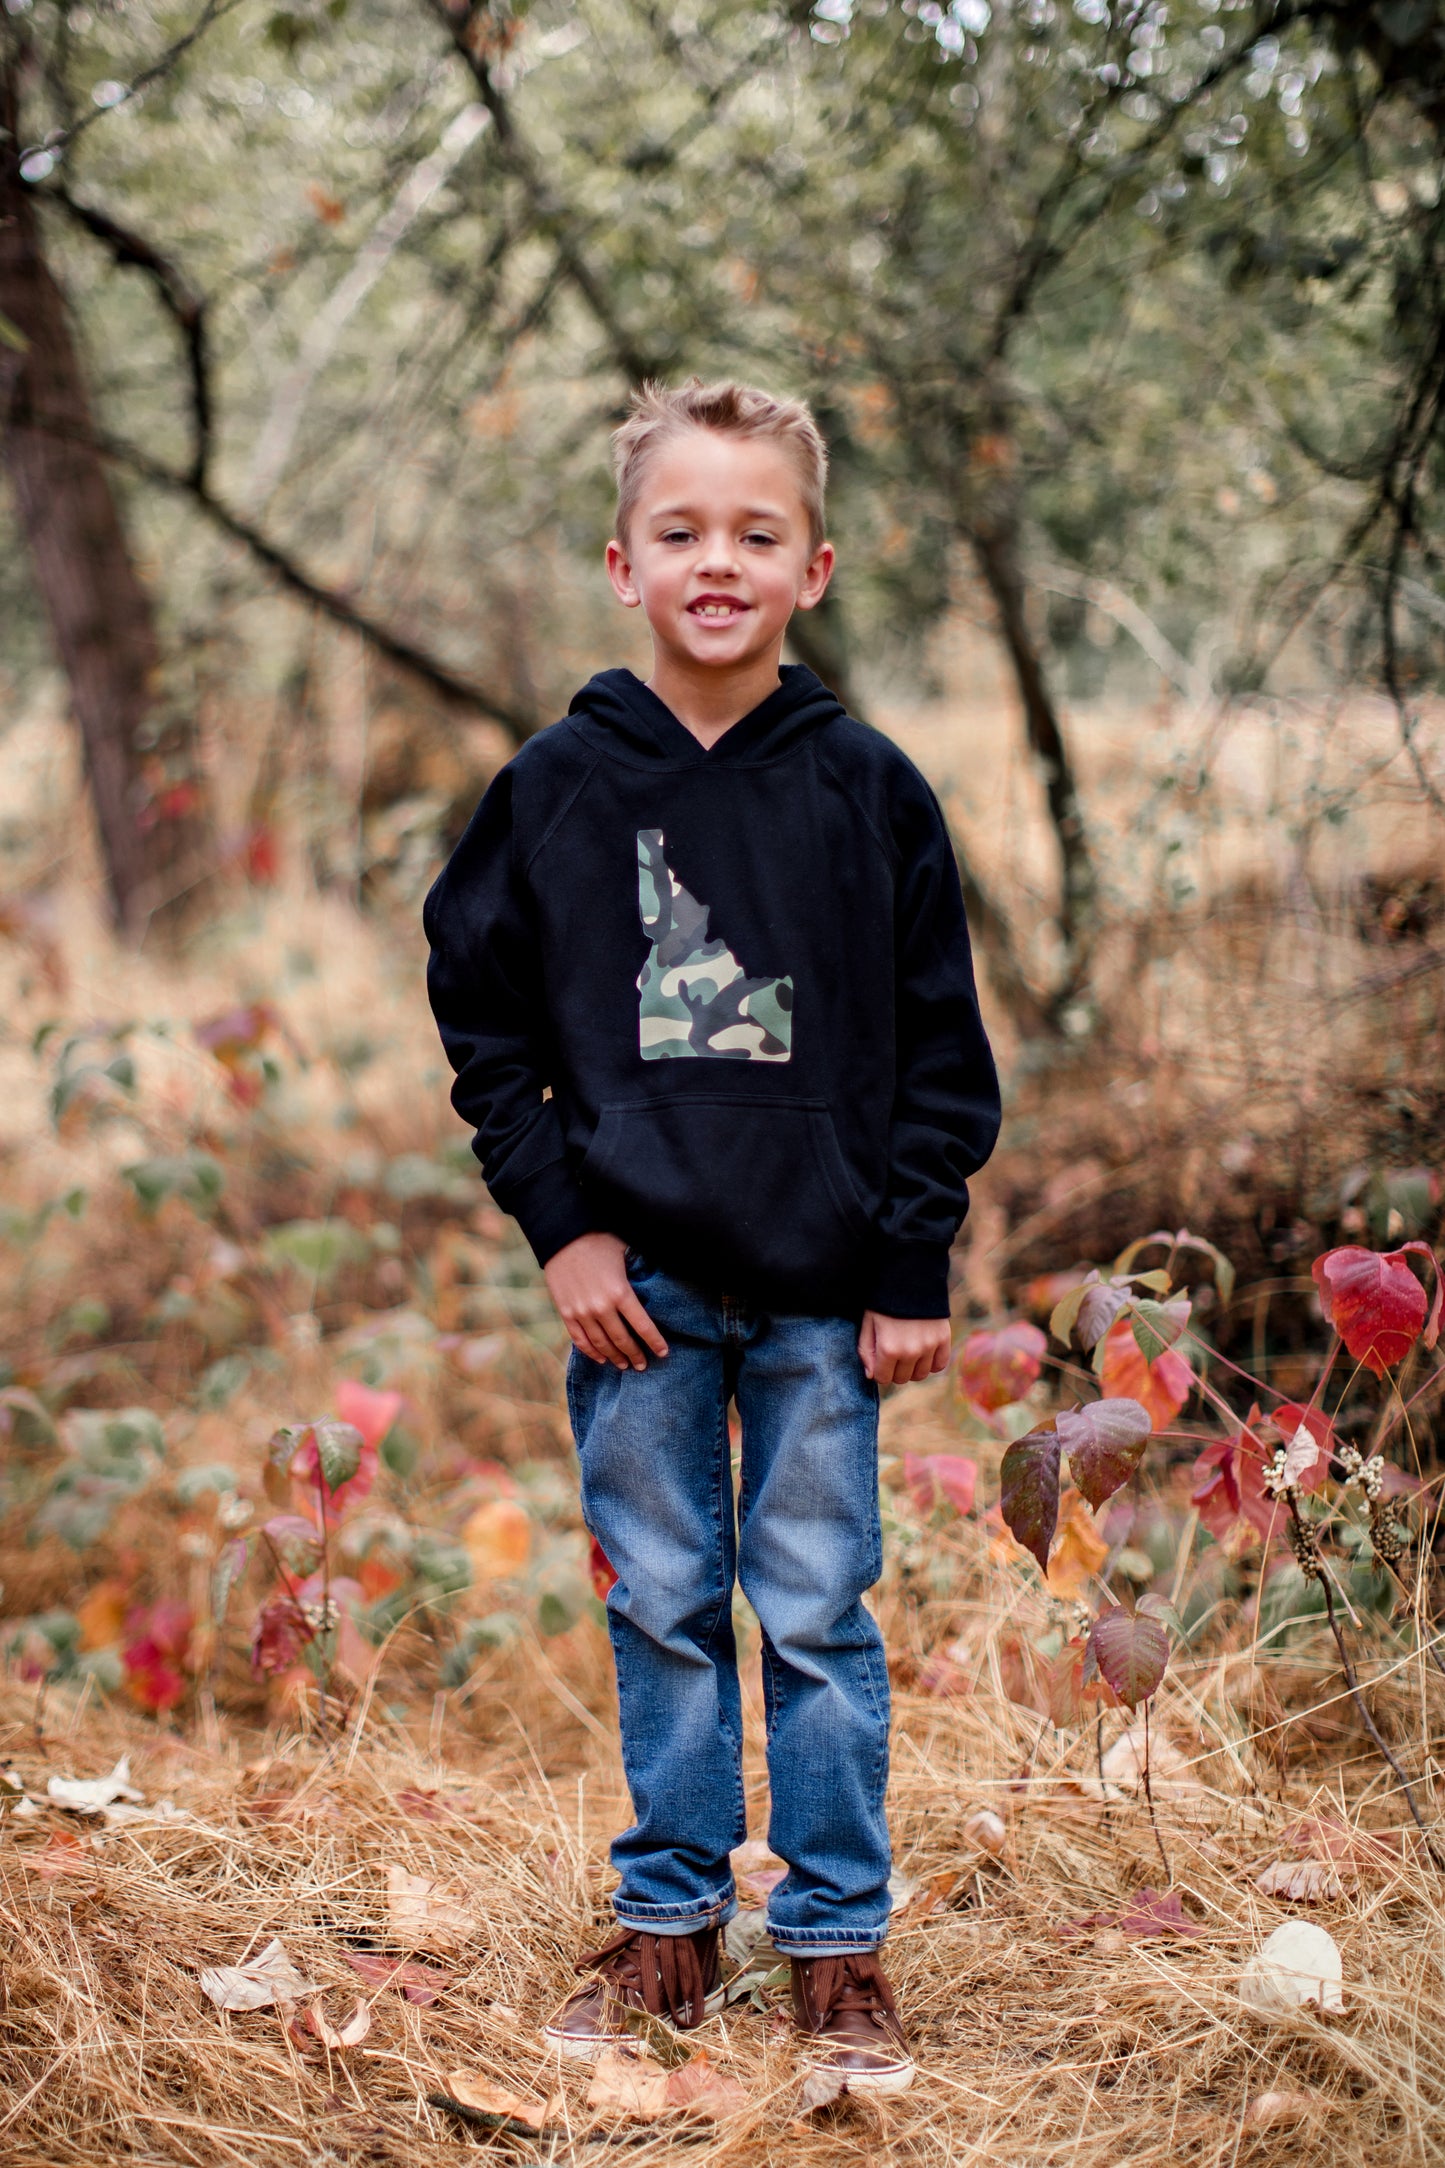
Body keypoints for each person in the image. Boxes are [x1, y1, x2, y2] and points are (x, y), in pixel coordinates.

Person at [424, 378, 1000, 2093]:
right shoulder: (553, 791)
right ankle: (669, 1924)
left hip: (828, 1289)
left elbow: (937, 1044)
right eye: (682, 531)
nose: (718, 561)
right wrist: (562, 1236)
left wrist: (911, 1261)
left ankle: (834, 1947)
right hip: (640, 1300)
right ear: (622, 563)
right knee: (664, 1604)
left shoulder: (866, 792)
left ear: (813, 567)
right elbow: (488, 1029)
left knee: (816, 1611)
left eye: (756, 533)